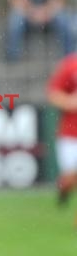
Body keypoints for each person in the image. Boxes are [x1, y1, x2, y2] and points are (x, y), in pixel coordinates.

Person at [47, 53, 77, 204]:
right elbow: (53, 94)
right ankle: (63, 191)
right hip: (71, 133)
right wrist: (70, 102)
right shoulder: (71, 65)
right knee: (69, 177)